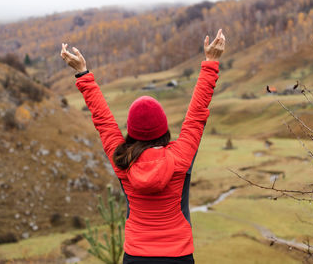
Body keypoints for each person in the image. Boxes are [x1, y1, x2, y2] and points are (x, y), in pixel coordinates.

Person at [60, 29, 225, 264]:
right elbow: (197, 114)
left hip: (136, 255)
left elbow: (103, 121)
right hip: (178, 255)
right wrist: (211, 63)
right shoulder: (180, 156)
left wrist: (81, 73)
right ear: (164, 129)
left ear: (131, 132)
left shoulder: (122, 161)